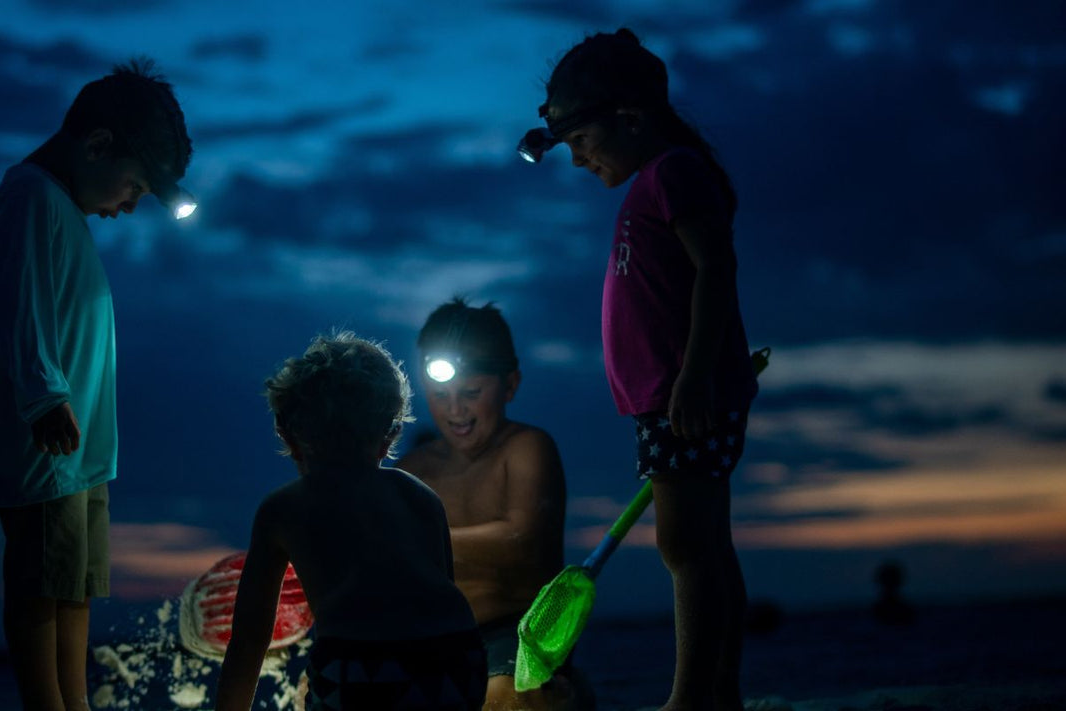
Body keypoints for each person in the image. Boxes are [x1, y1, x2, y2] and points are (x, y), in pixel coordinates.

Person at [518, 29, 760, 711]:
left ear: (627, 118)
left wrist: (692, 375)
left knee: (687, 545)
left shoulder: (674, 171)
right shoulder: (657, 181)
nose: (576, 160)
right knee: (706, 543)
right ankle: (722, 695)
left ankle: (690, 701)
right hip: (670, 398)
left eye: (580, 141)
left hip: (686, 396)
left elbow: (716, 268)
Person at [0, 59, 193, 711]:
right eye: (132, 189)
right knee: (41, 582)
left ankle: (76, 699)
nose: (126, 208)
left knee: (73, 582)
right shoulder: (31, 195)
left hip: (80, 453)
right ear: (97, 145)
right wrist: (42, 396)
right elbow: (19, 302)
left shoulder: (58, 207)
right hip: (48, 448)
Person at [214, 332, 487, 711]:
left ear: (289, 435)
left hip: (361, 664)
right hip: (458, 658)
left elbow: (249, 641)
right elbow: (441, 589)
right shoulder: (419, 495)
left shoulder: (284, 508)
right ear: (390, 434)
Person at [394, 298, 593, 711]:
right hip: (433, 639)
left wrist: (417, 537)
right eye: (440, 394)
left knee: (501, 702)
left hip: (518, 634)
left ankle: (558, 692)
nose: (455, 409)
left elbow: (521, 538)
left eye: (470, 392)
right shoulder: (412, 467)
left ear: (511, 384)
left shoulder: (526, 448)